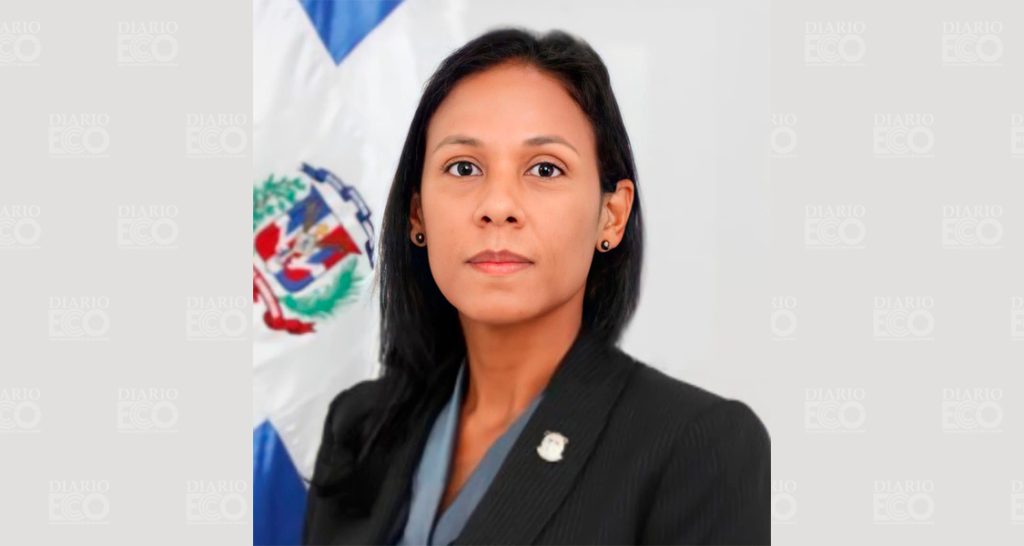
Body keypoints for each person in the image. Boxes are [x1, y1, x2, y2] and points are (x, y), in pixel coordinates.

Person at [302, 27, 770, 545]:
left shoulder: (695, 446)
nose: (498, 205)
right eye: (463, 167)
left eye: (545, 169)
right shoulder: (360, 425)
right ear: (418, 214)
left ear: (611, 216)